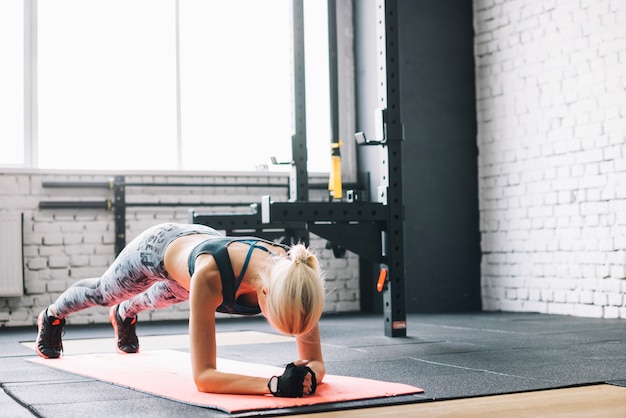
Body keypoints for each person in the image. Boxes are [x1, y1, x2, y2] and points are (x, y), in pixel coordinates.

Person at [35, 222, 326, 397]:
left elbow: (316, 362)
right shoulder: (210, 276)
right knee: (105, 293)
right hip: (158, 248)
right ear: (263, 293)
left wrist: (309, 376)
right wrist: (274, 385)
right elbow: (204, 377)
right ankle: (51, 316)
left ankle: (124, 315)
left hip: (194, 255)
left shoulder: (296, 277)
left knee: (156, 299)